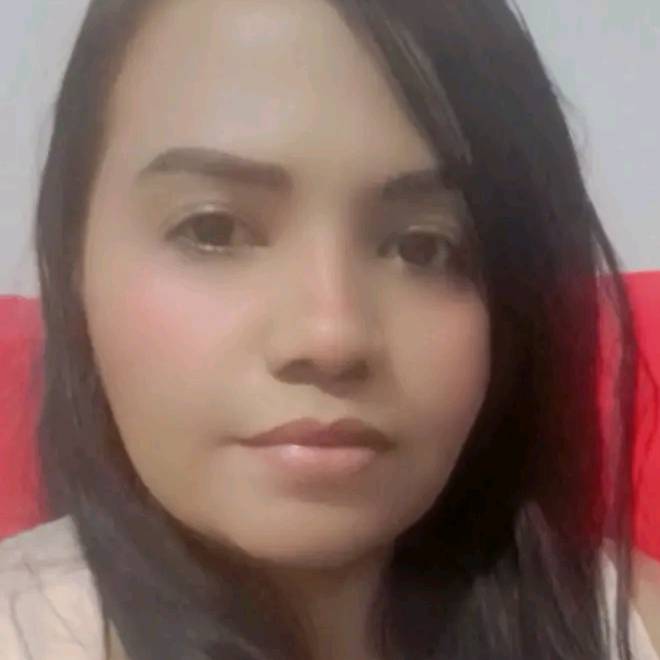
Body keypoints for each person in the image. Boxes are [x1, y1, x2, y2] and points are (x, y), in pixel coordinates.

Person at [1, 0, 658, 658]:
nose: (331, 338)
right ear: (74, 259)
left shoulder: (625, 622)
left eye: (422, 247)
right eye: (213, 229)